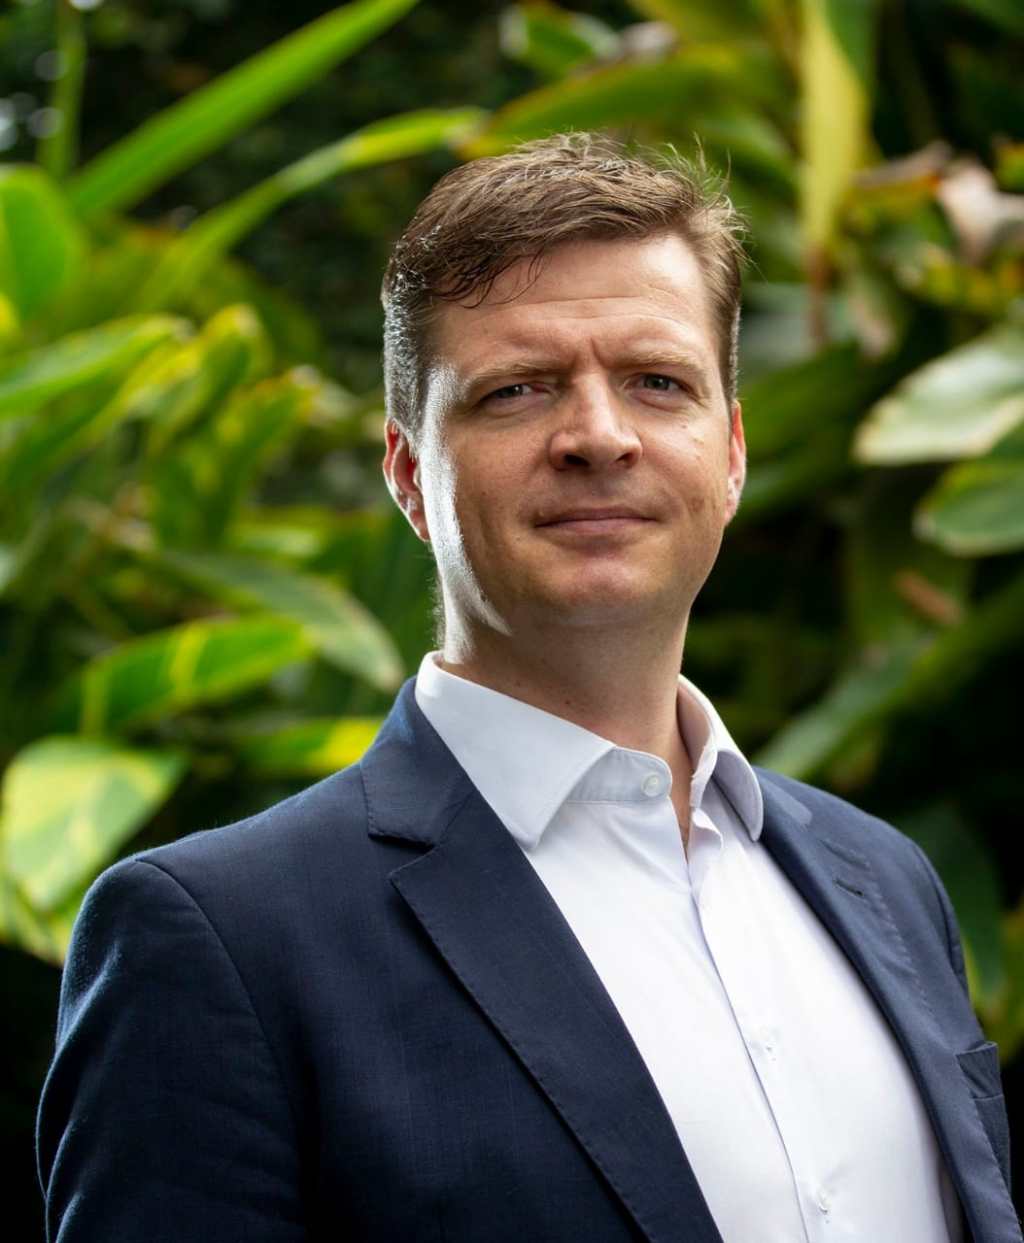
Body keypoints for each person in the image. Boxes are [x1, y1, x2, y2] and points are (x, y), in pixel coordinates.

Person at [38, 132, 1018, 1243]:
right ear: (409, 473)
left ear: (732, 452)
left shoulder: (886, 881)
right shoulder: (219, 941)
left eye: (658, 383)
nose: (598, 436)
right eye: (516, 391)